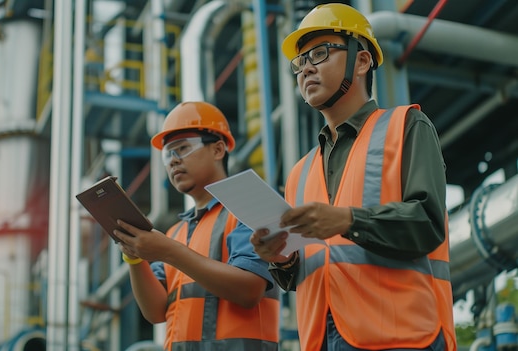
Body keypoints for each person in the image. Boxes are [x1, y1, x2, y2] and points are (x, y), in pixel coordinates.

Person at [249, 3, 457, 351]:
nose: (306, 70)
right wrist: (281, 258)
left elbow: (427, 223)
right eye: (299, 63)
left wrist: (346, 220)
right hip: (321, 338)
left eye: (319, 54)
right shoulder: (300, 172)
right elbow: (311, 270)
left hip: (400, 335)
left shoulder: (405, 126)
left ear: (361, 62)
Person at [113, 101, 280, 351]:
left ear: (218, 149)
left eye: (183, 148)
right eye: (168, 154)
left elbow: (249, 291)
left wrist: (169, 251)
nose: (173, 161)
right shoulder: (175, 233)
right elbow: (156, 311)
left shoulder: (253, 205)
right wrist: (133, 257)